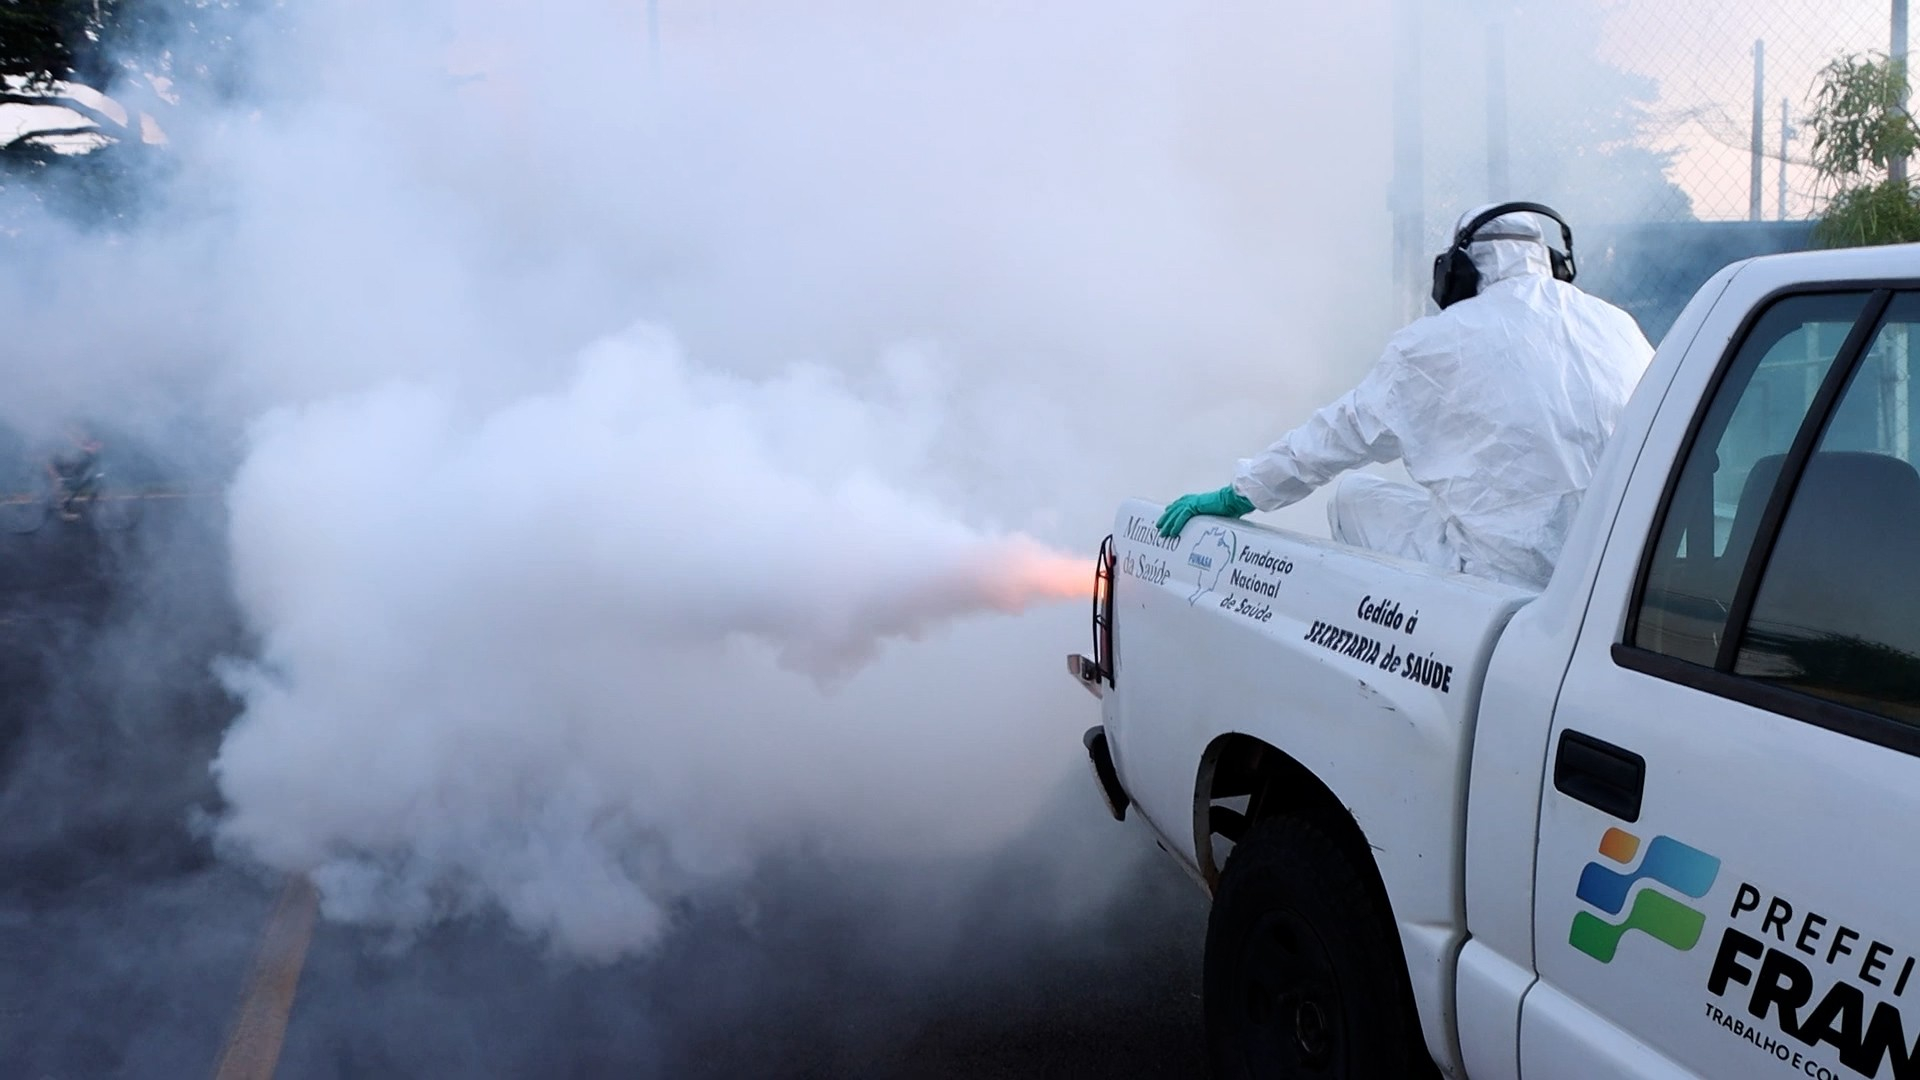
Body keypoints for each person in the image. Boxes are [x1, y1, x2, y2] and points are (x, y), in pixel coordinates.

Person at [1155, 202, 1655, 590]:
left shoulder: (1438, 342)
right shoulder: (1618, 325)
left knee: (1353, 498)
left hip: (1511, 579)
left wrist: (1240, 493)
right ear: (1554, 262)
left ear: (1456, 273)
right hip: (1616, 575)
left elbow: (1334, 438)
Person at [45, 421, 104, 522]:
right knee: (58, 482)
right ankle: (62, 511)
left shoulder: (77, 433)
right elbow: (76, 445)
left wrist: (92, 446)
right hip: (52, 461)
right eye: (72, 427)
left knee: (81, 477)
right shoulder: (63, 434)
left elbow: (85, 444)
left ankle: (69, 498)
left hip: (64, 460)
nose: (76, 428)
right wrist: (86, 448)